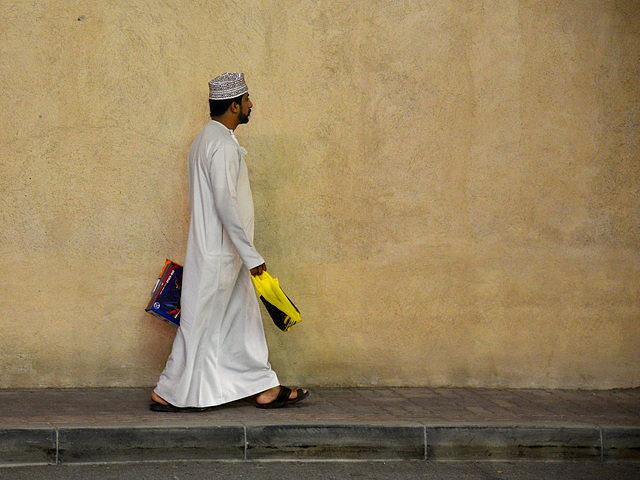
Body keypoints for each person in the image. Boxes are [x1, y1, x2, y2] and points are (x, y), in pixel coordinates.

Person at [150, 72, 309, 412]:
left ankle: (263, 385)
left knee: (241, 320)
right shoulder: (220, 144)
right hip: (221, 254)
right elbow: (226, 205)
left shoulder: (205, 140)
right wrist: (252, 256)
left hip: (223, 253)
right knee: (200, 322)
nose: (251, 105)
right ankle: (167, 390)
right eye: (247, 100)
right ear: (234, 106)